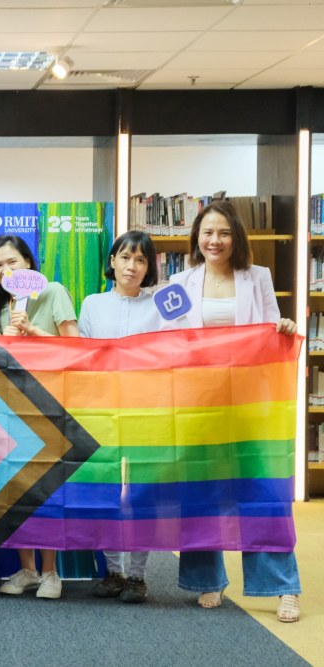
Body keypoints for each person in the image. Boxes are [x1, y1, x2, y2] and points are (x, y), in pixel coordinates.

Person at [169, 200, 301, 623]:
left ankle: (282, 587)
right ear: (196, 238)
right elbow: (168, 342)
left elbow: (270, 329)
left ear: (236, 238)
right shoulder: (178, 282)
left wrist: (284, 328)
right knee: (202, 492)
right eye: (208, 232)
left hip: (250, 405)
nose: (215, 240)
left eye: (224, 233)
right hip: (199, 404)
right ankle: (208, 580)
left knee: (264, 494)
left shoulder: (257, 277)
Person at [0, 234, 78, 600]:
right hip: (13, 409)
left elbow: (77, 348)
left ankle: (52, 573)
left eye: (11, 262)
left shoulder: (53, 291)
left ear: (28, 262)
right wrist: (3, 341)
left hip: (54, 404)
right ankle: (27, 569)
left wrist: (35, 333)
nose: (5, 270)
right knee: (19, 489)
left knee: (49, 487)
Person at [78, 230, 162, 604]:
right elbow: (80, 355)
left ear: (149, 268)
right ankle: (113, 571)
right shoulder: (93, 303)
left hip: (147, 410)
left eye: (141, 260)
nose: (132, 266)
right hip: (103, 410)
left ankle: (138, 577)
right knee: (107, 491)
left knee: (141, 493)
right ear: (112, 260)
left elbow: (177, 349)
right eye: (126, 257)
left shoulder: (162, 305)